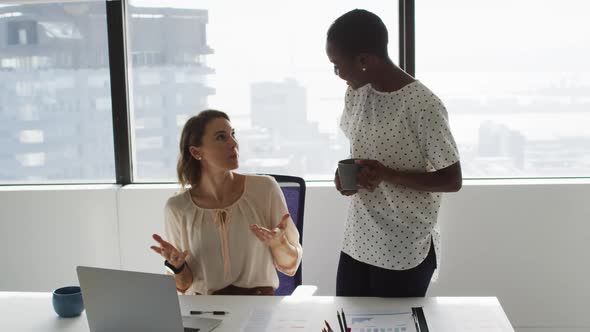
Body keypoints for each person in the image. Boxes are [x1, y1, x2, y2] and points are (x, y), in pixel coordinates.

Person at [326, 9, 462, 297]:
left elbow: (452, 180)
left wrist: (388, 175)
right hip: (358, 239)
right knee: (346, 322)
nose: (337, 74)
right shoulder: (357, 93)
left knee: (394, 326)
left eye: (338, 65)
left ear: (363, 60)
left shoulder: (423, 106)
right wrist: (347, 177)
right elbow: (361, 153)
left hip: (403, 246)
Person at [150, 110, 302, 295]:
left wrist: (279, 244)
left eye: (233, 135)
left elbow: (290, 266)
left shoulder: (265, 189)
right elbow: (183, 286)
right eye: (221, 137)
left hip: (259, 307)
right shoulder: (177, 208)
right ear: (196, 152)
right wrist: (178, 267)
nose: (233, 143)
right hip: (205, 312)